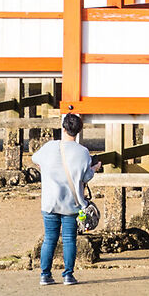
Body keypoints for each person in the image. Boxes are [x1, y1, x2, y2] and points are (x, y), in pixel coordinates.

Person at [34, 111, 93, 286]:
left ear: (63, 128)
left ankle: (45, 275)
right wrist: (94, 168)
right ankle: (68, 275)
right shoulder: (83, 152)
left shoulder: (49, 147)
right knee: (69, 239)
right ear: (79, 130)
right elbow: (86, 177)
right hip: (71, 203)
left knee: (49, 239)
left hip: (50, 201)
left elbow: (35, 159)